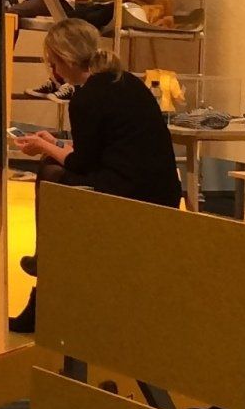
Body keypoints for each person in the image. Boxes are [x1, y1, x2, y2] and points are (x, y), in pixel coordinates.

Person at [10, 18, 182, 334]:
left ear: (64, 60)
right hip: (162, 190)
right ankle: (44, 265)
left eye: (53, 63)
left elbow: (81, 163)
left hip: (128, 192)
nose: (53, 70)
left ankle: (45, 264)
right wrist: (56, 144)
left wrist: (45, 147)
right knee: (53, 164)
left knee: (49, 171)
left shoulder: (86, 98)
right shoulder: (127, 82)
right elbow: (105, 149)